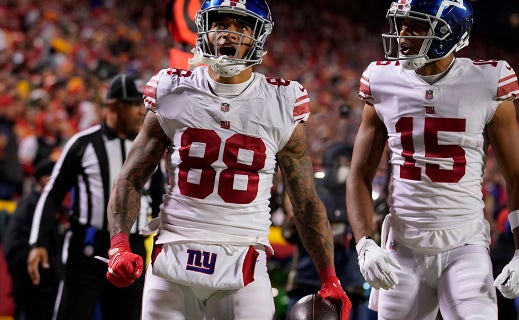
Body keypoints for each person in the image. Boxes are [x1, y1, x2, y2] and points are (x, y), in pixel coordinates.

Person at [103, 1, 352, 319]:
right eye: (220, 23)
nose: (228, 33)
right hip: (172, 259)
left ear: (258, 36)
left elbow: (304, 202)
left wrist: (329, 277)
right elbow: (130, 177)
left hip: (243, 260)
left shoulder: (281, 102)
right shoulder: (172, 91)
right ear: (204, 29)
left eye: (241, 26)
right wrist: (119, 243)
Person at [345, 0, 519, 319]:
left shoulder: (487, 82)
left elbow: (517, 175)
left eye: (416, 26)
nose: (403, 34)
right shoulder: (381, 80)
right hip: (403, 247)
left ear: (450, 32)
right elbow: (359, 175)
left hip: (465, 244)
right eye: (402, 24)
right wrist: (365, 243)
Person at [27, 73, 166, 320]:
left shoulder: (149, 149)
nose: (140, 112)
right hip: (86, 249)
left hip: (132, 250)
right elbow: (52, 194)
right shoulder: (82, 143)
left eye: (144, 105)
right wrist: (38, 242)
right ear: (113, 105)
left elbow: (160, 203)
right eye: (134, 104)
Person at [284, 142, 375, 320]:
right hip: (308, 277)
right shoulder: (311, 192)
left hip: (350, 281)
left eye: (346, 163)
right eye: (337, 162)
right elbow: (289, 232)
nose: (341, 167)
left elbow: (373, 238)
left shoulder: (361, 196)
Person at [4, 159, 61, 320]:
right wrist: (45, 272)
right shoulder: (31, 205)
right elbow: (13, 247)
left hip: (44, 287)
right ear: (45, 179)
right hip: (34, 288)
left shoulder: (46, 206)